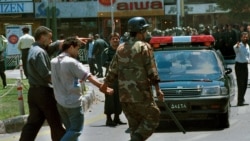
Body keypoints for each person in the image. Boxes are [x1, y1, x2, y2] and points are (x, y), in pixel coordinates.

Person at [100, 17, 164, 141]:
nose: (147, 33)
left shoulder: (121, 48)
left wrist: (104, 85)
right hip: (141, 95)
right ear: (140, 31)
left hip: (125, 97)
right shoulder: (144, 47)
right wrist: (158, 90)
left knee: (135, 126)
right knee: (153, 116)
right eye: (145, 30)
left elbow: (112, 71)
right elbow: (152, 72)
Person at [51, 36, 113, 141]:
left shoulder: (54, 61)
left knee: (70, 130)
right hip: (72, 102)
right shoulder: (71, 62)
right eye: (77, 49)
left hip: (60, 102)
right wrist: (102, 87)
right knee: (75, 130)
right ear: (71, 47)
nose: (78, 52)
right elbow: (88, 76)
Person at [19, 26, 66, 141]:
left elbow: (50, 48)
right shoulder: (40, 53)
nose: (51, 40)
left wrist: (62, 42)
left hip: (34, 93)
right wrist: (63, 84)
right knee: (56, 123)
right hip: (44, 93)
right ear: (42, 37)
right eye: (49, 38)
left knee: (33, 124)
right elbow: (47, 75)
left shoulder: (33, 49)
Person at [101, 32, 126, 126]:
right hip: (110, 79)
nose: (115, 40)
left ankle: (117, 117)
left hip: (121, 79)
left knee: (120, 99)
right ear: (110, 40)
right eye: (113, 39)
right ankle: (108, 119)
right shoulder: (106, 51)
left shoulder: (122, 50)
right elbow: (103, 63)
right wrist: (115, 66)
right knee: (109, 99)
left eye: (117, 38)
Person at [234, 32, 250, 106]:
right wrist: (237, 46)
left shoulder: (247, 46)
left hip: (245, 66)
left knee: (245, 83)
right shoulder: (239, 45)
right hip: (239, 66)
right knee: (240, 84)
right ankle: (239, 101)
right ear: (241, 38)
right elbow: (235, 48)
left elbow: (248, 55)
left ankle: (242, 98)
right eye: (244, 37)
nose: (245, 38)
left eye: (246, 37)